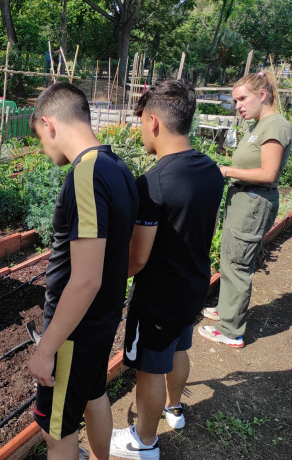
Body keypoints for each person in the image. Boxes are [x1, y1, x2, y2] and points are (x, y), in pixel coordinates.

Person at [109, 80, 224, 460]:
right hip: (194, 283)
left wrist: (104, 280)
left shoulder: (153, 183)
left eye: (141, 121)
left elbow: (138, 259)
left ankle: (144, 441)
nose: (140, 129)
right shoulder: (210, 169)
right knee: (179, 348)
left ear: (154, 121)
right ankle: (175, 409)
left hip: (159, 295)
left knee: (148, 368)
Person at [27, 82, 138, 460]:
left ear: (50, 123)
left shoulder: (86, 174)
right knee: (94, 395)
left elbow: (86, 278)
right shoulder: (118, 167)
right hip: (101, 322)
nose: (43, 150)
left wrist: (46, 348)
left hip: (75, 332)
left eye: (41, 138)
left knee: (56, 429)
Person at [199, 71, 292, 348]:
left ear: (262, 95)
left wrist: (226, 170)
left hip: (254, 201)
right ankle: (227, 309)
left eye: (242, 98)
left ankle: (231, 330)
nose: (237, 105)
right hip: (242, 199)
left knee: (239, 264)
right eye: (235, 100)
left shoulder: (275, 125)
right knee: (230, 257)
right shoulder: (257, 125)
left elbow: (269, 174)